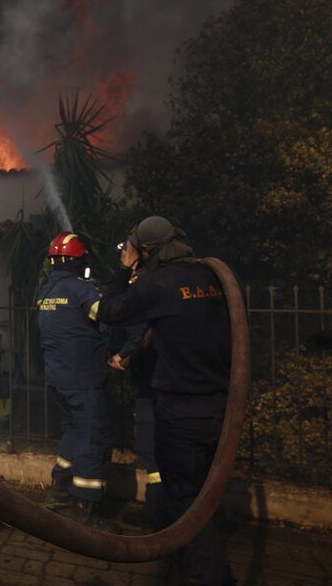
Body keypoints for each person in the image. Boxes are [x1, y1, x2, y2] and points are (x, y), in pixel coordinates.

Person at [97, 216, 235, 585]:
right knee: (202, 494)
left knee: (184, 500)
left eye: (132, 249)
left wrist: (123, 270)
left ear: (145, 250)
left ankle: (212, 576)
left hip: (181, 410)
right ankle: (190, 564)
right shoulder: (213, 277)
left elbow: (110, 310)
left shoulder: (159, 284)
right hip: (222, 405)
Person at [35, 231, 117, 532]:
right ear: (79, 261)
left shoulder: (46, 292)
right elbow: (108, 317)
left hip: (58, 378)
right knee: (91, 437)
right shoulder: (83, 291)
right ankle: (84, 509)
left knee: (72, 429)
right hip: (84, 377)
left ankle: (59, 486)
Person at [108, 324, 169, 530]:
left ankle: (157, 511)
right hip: (172, 384)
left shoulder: (148, 299)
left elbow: (139, 332)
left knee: (150, 450)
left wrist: (123, 355)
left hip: (152, 385)